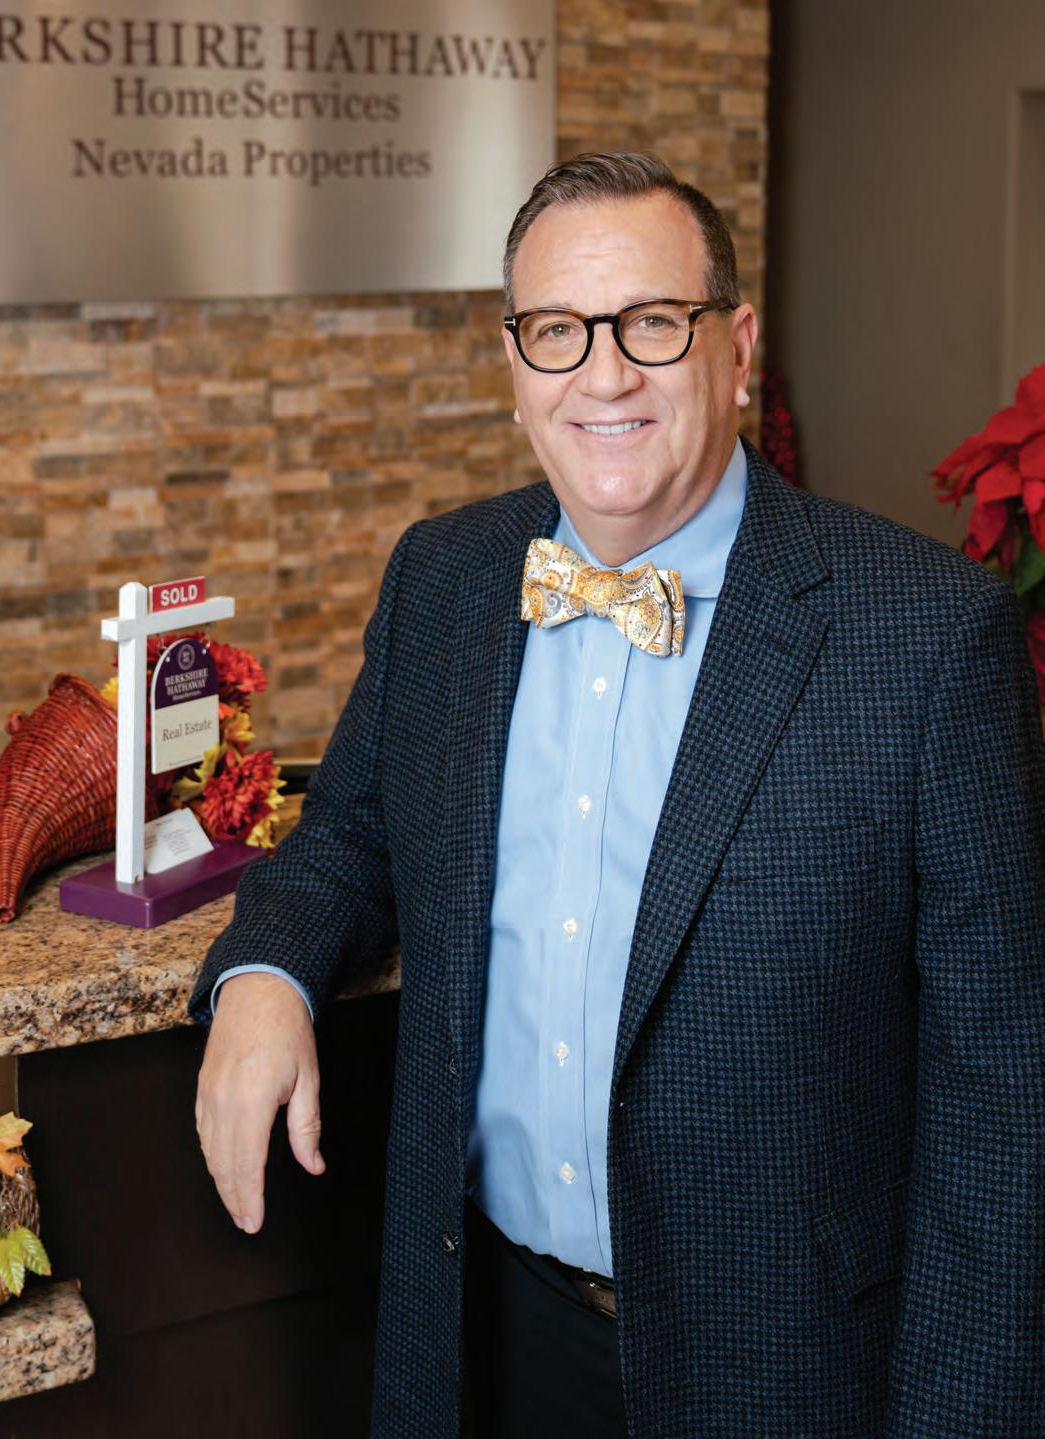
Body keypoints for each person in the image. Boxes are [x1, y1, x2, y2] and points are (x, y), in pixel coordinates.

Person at [190, 151, 1045, 1439]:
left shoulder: (928, 637)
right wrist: (265, 980)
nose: (604, 375)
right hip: (484, 1335)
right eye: (558, 331)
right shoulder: (443, 577)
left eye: (652, 322)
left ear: (736, 351)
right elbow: (349, 839)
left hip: (787, 1367)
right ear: (515, 367)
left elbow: (1004, 1109)